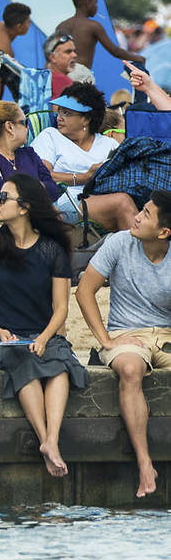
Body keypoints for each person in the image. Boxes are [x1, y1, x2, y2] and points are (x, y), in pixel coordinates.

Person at [0, 174, 87, 479]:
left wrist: (46, 337)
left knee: (58, 366)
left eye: (4, 198)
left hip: (44, 333)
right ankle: (47, 440)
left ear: (25, 208)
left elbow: (62, 308)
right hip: (3, 337)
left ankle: (50, 441)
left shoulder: (52, 250)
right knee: (25, 364)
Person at [74, 192, 171, 497]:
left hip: (166, 334)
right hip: (126, 333)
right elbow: (84, 291)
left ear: (164, 232)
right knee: (130, 369)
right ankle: (145, 463)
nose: (137, 217)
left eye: (145, 214)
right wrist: (105, 340)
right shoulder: (118, 242)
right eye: (140, 210)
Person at [31, 83, 135, 230]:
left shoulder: (109, 144)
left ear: (86, 118)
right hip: (65, 202)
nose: (59, 118)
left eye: (67, 113)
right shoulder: (50, 136)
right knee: (122, 202)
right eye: (59, 112)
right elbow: (42, 176)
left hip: (104, 196)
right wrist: (85, 177)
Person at [0, 101, 60, 249]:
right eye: (25, 122)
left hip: (34, 232)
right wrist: (38, 188)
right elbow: (4, 196)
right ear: (10, 127)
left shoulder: (29, 154)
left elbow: (53, 190)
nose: (28, 127)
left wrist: (29, 191)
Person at [53, 0, 143, 81]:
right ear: (88, 4)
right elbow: (115, 51)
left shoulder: (61, 26)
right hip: (80, 74)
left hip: (62, 73)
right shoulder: (93, 26)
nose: (96, 7)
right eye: (95, 3)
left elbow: (54, 52)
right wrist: (137, 58)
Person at [44, 32, 80, 98]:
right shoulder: (63, 81)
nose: (74, 55)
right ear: (53, 57)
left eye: (74, 51)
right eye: (68, 52)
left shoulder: (41, 79)